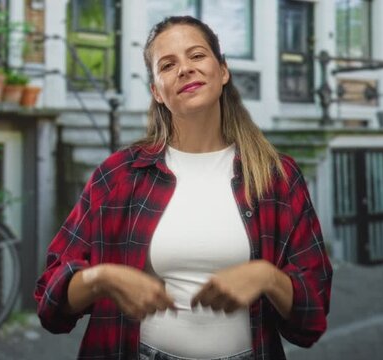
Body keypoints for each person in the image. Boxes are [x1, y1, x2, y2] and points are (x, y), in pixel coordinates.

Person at [34, 16, 332, 360]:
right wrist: (101, 278)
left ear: (223, 71)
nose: (186, 69)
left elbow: (312, 317)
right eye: (168, 64)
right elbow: (49, 304)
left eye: (197, 56)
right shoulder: (117, 176)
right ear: (157, 92)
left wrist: (268, 278)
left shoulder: (277, 176)